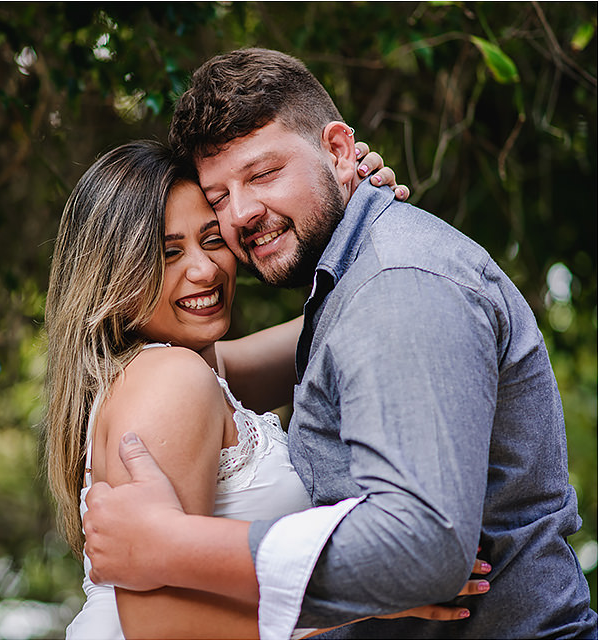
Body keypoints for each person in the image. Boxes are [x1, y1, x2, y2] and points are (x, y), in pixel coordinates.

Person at [82, 48, 598, 639]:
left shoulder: (394, 285)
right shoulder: (352, 294)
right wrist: (351, 193)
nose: (241, 214)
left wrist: (173, 542)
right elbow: (232, 371)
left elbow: (422, 551)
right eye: (219, 197)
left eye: (263, 173)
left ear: (337, 149)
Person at [45, 140, 488, 639]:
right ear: (112, 274)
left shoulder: (194, 370)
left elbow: (353, 312)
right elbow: (158, 630)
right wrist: (373, 599)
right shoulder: (171, 380)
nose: (205, 269)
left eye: (212, 239)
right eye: (169, 253)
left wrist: (348, 200)